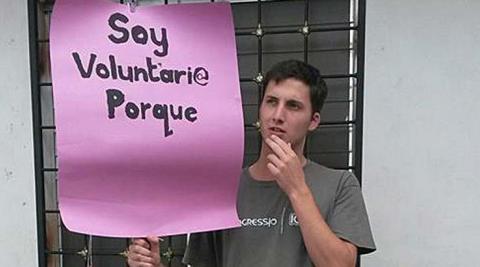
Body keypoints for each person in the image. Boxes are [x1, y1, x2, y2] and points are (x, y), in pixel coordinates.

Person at [127, 60, 376, 267]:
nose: (278, 115)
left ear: (313, 121)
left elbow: (340, 265)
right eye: (271, 102)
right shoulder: (222, 190)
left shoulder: (340, 184)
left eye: (293, 106)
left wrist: (296, 189)